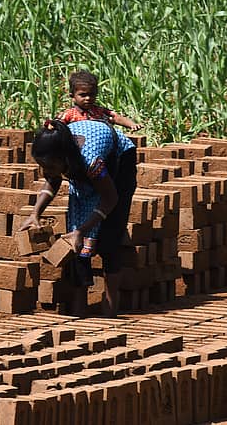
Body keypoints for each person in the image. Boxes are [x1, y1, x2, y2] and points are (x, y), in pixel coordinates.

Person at [19, 118, 137, 317]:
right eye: (42, 166)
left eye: (49, 166)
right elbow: (52, 180)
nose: (46, 171)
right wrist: (34, 214)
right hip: (84, 166)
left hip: (119, 160)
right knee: (74, 239)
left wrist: (82, 231)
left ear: (64, 158)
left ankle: (110, 304)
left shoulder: (90, 160)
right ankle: (79, 306)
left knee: (110, 236)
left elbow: (110, 198)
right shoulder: (56, 153)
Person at [57, 70, 144, 131]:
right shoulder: (69, 114)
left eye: (91, 94)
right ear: (72, 96)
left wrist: (132, 124)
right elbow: (57, 125)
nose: (88, 98)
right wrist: (51, 126)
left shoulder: (100, 112)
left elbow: (116, 117)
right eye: (83, 95)